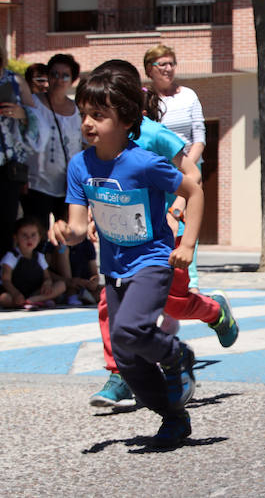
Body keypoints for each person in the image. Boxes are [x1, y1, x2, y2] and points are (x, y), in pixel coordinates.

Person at [49, 64, 205, 447]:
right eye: (85, 113)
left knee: (128, 330)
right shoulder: (80, 166)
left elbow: (194, 190)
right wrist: (66, 234)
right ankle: (173, 416)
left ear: (125, 119)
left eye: (98, 115)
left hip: (152, 261)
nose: (88, 122)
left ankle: (176, 353)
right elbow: (76, 225)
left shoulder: (143, 162)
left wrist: (185, 246)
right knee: (125, 354)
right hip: (114, 268)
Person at [87, 60, 238, 409]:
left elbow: (192, 178)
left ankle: (215, 312)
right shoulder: (103, 142)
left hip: (167, 233)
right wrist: (97, 215)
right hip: (123, 242)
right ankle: (119, 375)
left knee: (174, 303)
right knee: (110, 305)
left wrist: (176, 211)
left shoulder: (156, 134)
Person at [144, 44, 206, 292]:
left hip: (187, 168)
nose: (168, 69)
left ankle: (190, 283)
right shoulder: (146, 99)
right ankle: (162, 278)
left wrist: (187, 165)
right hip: (158, 172)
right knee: (161, 222)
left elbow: (199, 136)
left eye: (172, 63)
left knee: (185, 223)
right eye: (162, 64)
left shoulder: (189, 95)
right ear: (150, 69)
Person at [22, 54, 82, 233]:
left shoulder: (78, 111)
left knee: (65, 238)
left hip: (67, 185)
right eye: (54, 74)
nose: (59, 80)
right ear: (48, 76)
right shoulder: (32, 103)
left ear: (72, 80)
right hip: (35, 183)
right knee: (36, 236)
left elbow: (83, 146)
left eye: (65, 75)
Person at [0, 42, 35, 255]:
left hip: (9, 164)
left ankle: (4, 279)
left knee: (6, 222)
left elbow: (38, 121)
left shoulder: (15, 81)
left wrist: (22, 114)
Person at [0, 216, 65, 309]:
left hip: (35, 292)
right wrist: (16, 294)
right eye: (24, 235)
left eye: (33, 235)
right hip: (16, 293)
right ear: (16, 237)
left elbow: (47, 277)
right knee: (4, 298)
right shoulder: (11, 256)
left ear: (39, 237)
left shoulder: (39, 256)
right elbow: (5, 280)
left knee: (61, 285)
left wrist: (47, 283)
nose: (29, 239)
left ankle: (34, 300)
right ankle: (31, 302)